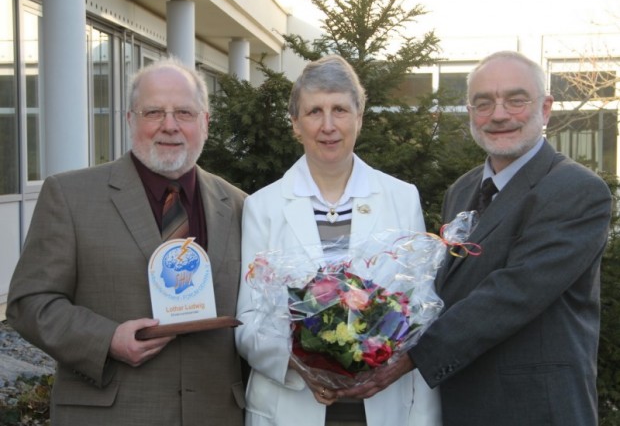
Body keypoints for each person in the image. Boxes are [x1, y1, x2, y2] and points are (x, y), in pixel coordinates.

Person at [336, 50, 613, 426]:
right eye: (484, 103)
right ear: (470, 113)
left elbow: (513, 292)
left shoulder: (576, 189)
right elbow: (440, 291)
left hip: (537, 409)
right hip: (459, 403)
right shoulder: (462, 190)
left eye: (516, 100)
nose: (498, 115)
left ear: (545, 108)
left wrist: (408, 358)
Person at [7, 57, 246, 425]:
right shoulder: (70, 196)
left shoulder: (240, 206)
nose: (169, 126)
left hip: (216, 414)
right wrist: (107, 340)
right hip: (112, 414)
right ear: (130, 119)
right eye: (153, 112)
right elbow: (29, 302)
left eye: (184, 112)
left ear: (205, 122)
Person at [235, 54, 441, 426]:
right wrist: (300, 366)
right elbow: (248, 320)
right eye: (314, 111)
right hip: (292, 404)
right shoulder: (261, 207)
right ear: (295, 124)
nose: (328, 125)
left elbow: (420, 309)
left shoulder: (401, 197)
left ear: (359, 118)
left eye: (340, 110)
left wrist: (381, 364)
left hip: (383, 404)